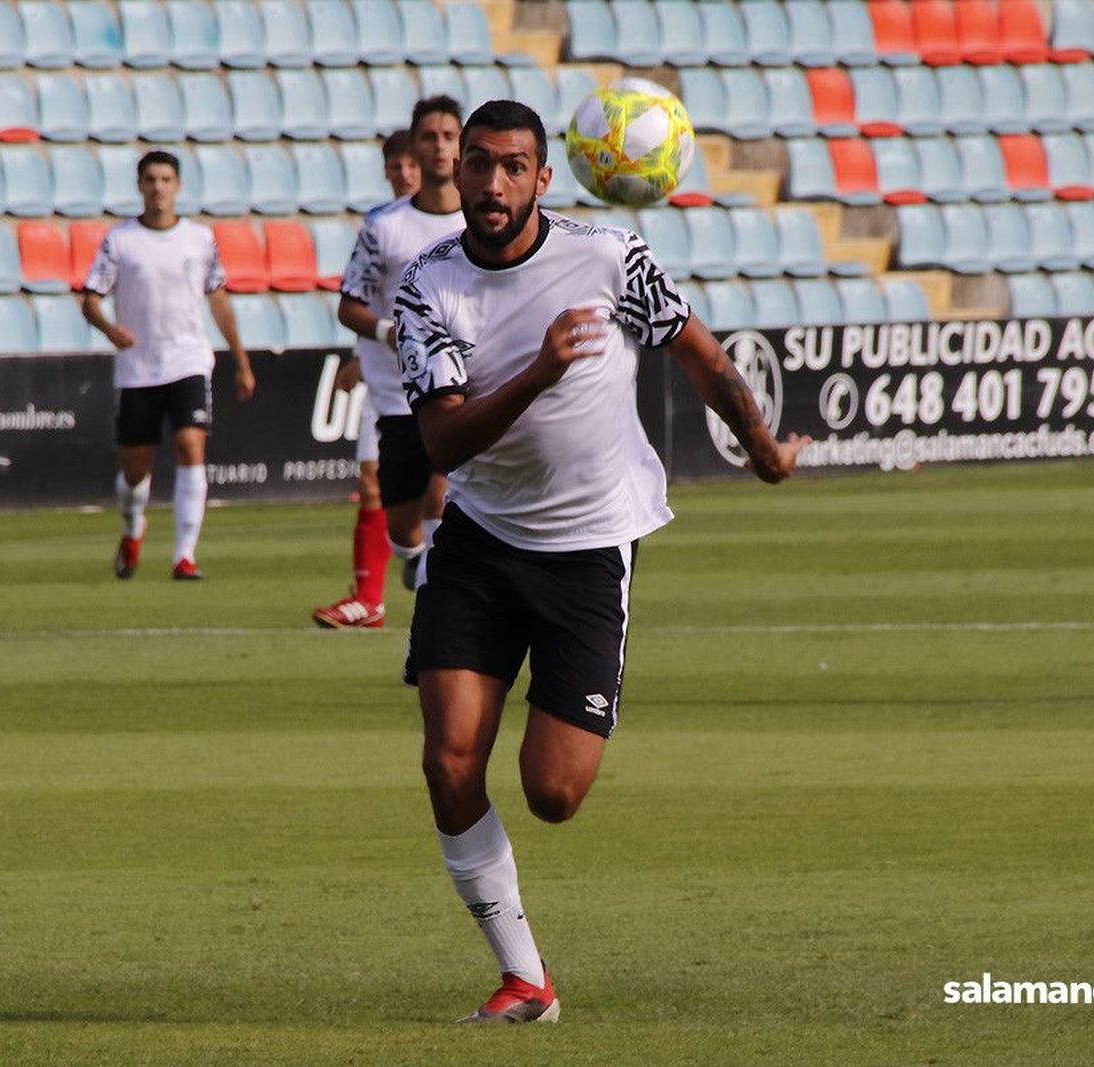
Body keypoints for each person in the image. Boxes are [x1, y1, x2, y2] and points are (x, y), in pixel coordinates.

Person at [393, 100, 808, 1023]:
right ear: (456, 174)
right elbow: (446, 444)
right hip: (483, 542)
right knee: (450, 756)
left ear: (546, 177)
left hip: (588, 551)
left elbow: (701, 357)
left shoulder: (611, 258)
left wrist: (765, 448)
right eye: (480, 165)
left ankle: (527, 966)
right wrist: (538, 372)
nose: (493, 183)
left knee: (552, 794)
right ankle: (524, 977)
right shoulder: (426, 287)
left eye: (514, 166)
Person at [312, 100, 463, 629]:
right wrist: (384, 332)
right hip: (401, 394)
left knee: (447, 500)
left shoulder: (485, 217)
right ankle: (416, 561)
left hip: (466, 389)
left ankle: (439, 632)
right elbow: (349, 301)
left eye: (449, 135)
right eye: (430, 136)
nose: (440, 145)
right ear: (415, 148)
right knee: (403, 526)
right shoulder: (384, 227)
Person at [82, 149, 256, 581]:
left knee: (190, 447)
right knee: (135, 471)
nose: (158, 187)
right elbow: (89, 298)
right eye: (150, 179)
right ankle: (132, 526)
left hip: (189, 360)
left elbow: (219, 300)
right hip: (138, 367)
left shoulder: (199, 239)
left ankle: (184, 555)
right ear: (139, 186)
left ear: (177, 186)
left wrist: (241, 361)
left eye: (165, 179)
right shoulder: (120, 240)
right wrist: (109, 330)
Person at [312, 130, 422, 629]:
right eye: (395, 166)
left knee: (440, 496)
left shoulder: (460, 225)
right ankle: (368, 599)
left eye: (410, 165)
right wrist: (367, 351)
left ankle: (429, 578)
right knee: (372, 481)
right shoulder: (380, 227)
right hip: (385, 381)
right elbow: (364, 302)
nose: (403, 173)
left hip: (443, 382)